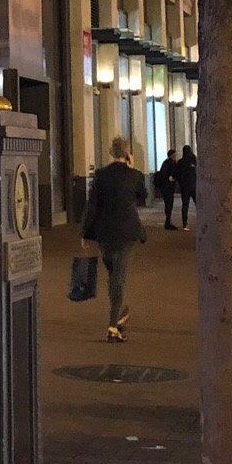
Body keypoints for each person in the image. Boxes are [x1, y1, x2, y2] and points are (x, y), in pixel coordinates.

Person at [81, 137, 147, 342]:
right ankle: (113, 324)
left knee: (114, 274)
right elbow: (142, 197)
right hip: (127, 232)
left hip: (105, 234)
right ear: (127, 153)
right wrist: (132, 167)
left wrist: (85, 233)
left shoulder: (101, 176)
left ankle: (118, 314)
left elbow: (92, 207)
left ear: (111, 152)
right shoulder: (135, 175)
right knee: (118, 277)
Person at [155, 150, 181, 229]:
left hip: (166, 187)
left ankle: (168, 221)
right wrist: (171, 178)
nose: (175, 156)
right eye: (174, 155)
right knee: (169, 204)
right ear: (171, 155)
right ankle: (168, 222)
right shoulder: (170, 163)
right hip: (168, 187)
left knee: (168, 204)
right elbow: (170, 174)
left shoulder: (166, 163)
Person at [177, 143, 198, 230]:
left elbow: (178, 174)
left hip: (184, 187)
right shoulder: (193, 160)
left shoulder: (180, 162)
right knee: (198, 204)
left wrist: (181, 184)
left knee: (185, 205)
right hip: (193, 186)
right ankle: (201, 220)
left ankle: (185, 224)